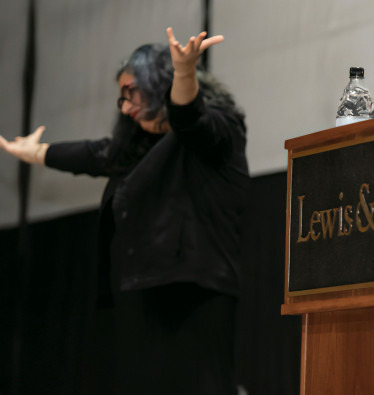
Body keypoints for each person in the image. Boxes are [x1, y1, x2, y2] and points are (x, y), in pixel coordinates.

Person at [0, 28, 249, 394]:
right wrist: (37, 153)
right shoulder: (138, 144)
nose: (127, 107)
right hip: (144, 289)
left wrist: (183, 74)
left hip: (197, 290)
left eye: (133, 94)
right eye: (121, 98)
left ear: (160, 86)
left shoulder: (219, 127)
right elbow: (96, 154)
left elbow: (190, 119)